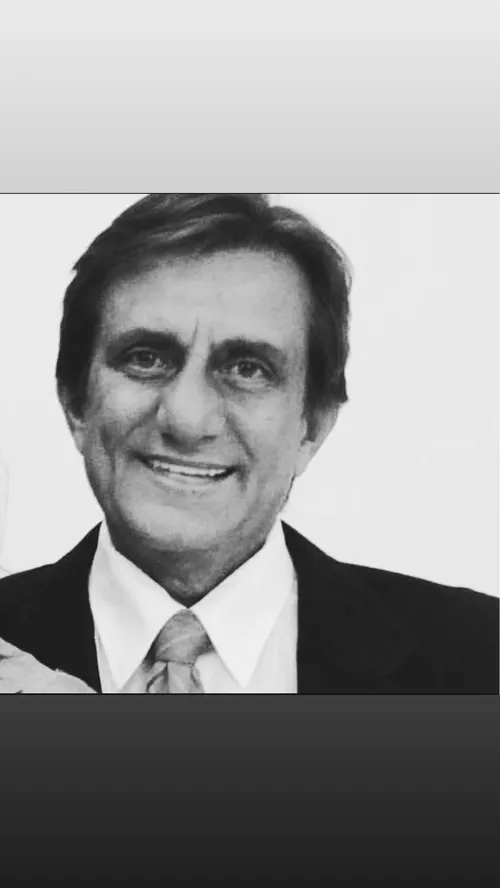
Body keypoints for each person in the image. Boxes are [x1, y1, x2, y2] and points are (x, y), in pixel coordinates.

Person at [0, 193, 497, 694]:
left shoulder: (481, 658)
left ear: (313, 425)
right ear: (76, 402)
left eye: (247, 369)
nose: (187, 419)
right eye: (146, 358)